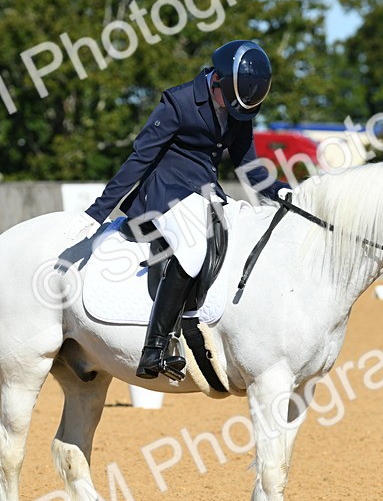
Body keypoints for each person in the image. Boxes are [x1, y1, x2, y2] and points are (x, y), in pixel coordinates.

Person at [84, 39, 290, 379]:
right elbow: (140, 158)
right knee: (193, 250)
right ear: (217, 81)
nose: (238, 114)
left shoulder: (238, 108)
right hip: (164, 192)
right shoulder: (178, 102)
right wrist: (96, 212)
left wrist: (283, 191)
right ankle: (155, 348)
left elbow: (249, 167)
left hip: (205, 192)